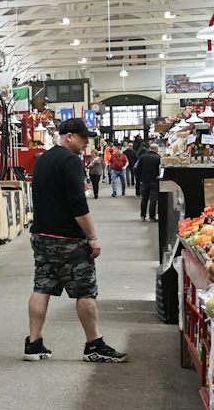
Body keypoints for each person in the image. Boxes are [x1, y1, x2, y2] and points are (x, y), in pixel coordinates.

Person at [25, 118, 128, 363]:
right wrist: (92, 237)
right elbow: (78, 205)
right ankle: (94, 344)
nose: (86, 143)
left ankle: (33, 344)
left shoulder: (42, 161)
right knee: (85, 291)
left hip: (41, 235)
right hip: (68, 239)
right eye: (83, 138)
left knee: (42, 286)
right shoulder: (70, 161)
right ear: (69, 136)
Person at [135, 140, 163, 222]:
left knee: (144, 199)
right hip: (154, 181)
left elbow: (137, 169)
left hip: (144, 181)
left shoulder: (143, 157)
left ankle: (143, 216)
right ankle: (152, 216)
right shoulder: (158, 158)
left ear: (149, 148)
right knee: (153, 199)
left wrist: (140, 179)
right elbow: (160, 170)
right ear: (156, 149)